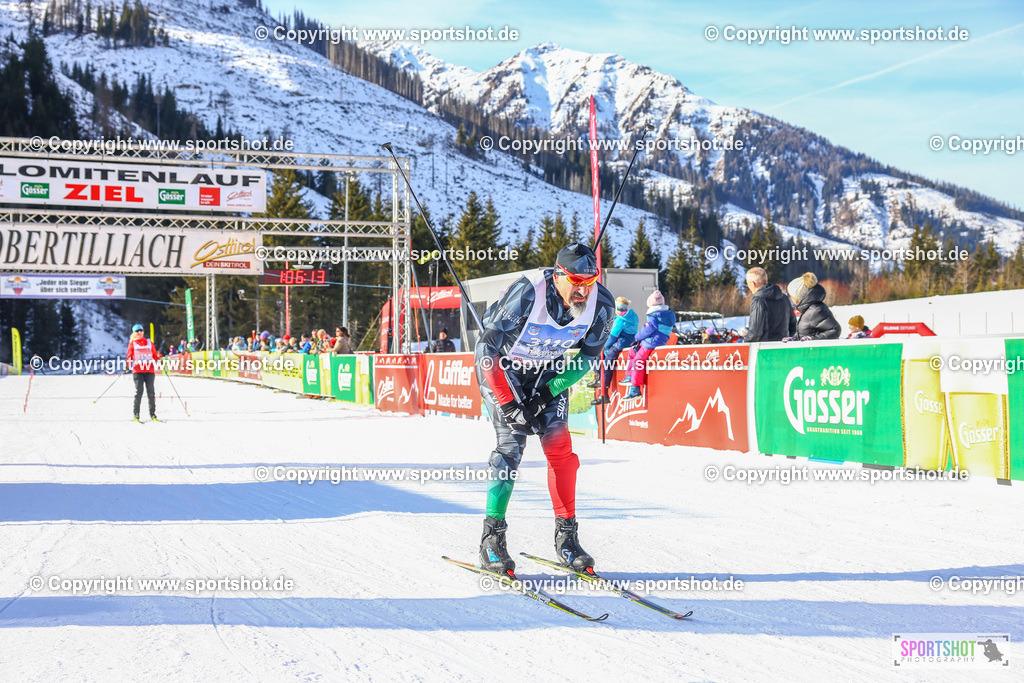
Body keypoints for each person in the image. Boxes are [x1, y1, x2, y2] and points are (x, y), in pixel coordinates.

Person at [475, 243, 614, 575]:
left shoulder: (602, 304)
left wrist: (546, 393)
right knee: (511, 446)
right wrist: (510, 403)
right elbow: (486, 351)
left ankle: (567, 538)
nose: (583, 290)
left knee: (561, 450)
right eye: (576, 281)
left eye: (589, 282)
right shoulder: (528, 293)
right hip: (503, 370)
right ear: (557, 275)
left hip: (547, 373)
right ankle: (491, 539)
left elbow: (586, 360)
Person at [621, 291, 674, 399]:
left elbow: (648, 329)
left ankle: (635, 389)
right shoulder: (667, 314)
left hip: (652, 341)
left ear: (651, 304)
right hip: (658, 339)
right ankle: (629, 376)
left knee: (638, 360)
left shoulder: (654, 316)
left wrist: (637, 337)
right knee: (633, 351)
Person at [589, 296, 638, 405]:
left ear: (617, 308)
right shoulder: (632, 316)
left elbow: (613, 336)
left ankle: (603, 390)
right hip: (628, 342)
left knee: (606, 362)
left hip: (620, 343)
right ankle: (599, 380)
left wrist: (604, 346)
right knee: (603, 357)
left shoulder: (621, 319)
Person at [742, 267, 796, 343]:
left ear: (753, 284)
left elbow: (755, 333)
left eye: (748, 283)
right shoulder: (784, 298)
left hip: (764, 348)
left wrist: (746, 341)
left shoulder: (759, 301)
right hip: (783, 347)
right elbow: (793, 326)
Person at [785, 272, 841, 341]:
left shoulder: (817, 310)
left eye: (789, 295)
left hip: (816, 348)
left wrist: (813, 339)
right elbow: (807, 333)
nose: (789, 297)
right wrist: (795, 339)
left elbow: (835, 329)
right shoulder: (807, 310)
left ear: (798, 297)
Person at [126, 323, 161, 422]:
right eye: (137, 331)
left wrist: (159, 361)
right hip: (138, 371)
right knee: (139, 392)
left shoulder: (149, 342)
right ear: (134, 333)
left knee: (151, 392)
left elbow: (154, 354)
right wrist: (127, 365)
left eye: (141, 330)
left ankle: (153, 414)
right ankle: (136, 414)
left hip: (149, 370)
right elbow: (129, 356)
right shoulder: (132, 344)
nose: (139, 332)